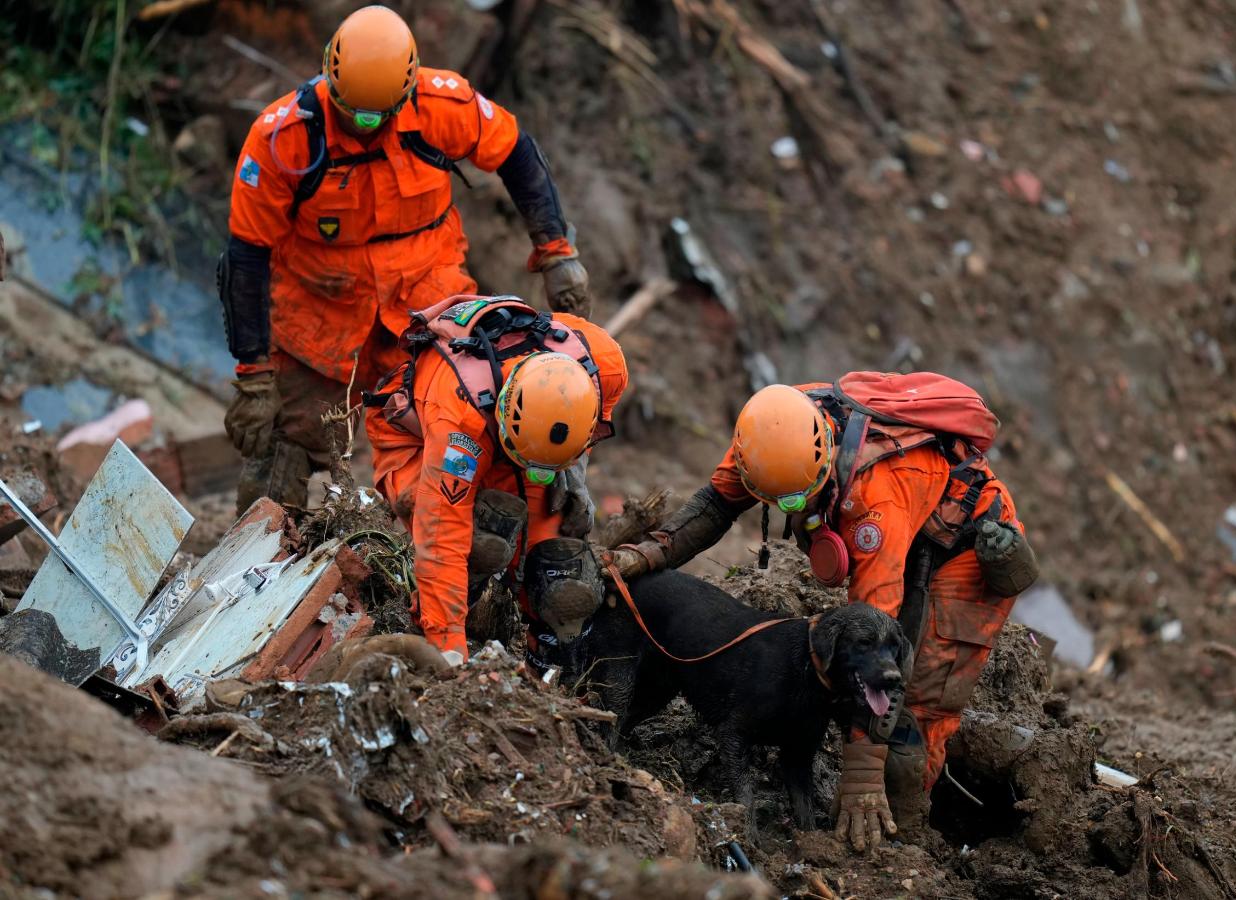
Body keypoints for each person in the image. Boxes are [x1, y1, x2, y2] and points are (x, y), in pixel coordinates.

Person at [608, 372, 1040, 851]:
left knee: (916, 700)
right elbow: (714, 507)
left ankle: (904, 839)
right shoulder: (769, 436)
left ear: (826, 460)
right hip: (905, 522)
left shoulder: (877, 493)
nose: (790, 508)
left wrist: (862, 775)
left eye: (797, 499)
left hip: (965, 546)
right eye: (775, 501)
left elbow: (876, 633)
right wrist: (644, 556)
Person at [219, 4, 591, 513]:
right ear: (330, 75)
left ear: (406, 91)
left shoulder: (442, 107)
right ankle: (256, 565)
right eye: (353, 113)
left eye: (378, 116)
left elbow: (517, 154)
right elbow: (246, 256)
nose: (364, 126)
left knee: (460, 422)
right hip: (320, 314)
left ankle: (469, 539)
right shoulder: (283, 140)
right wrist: (253, 375)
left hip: (428, 305)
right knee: (285, 446)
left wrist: (556, 252)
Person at [365, 294, 627, 667]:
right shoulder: (459, 425)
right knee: (481, 540)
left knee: (560, 580)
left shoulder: (605, 366)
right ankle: (446, 623)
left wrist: (572, 470)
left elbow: (587, 417)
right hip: (419, 439)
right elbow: (442, 542)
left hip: (525, 447)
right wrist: (448, 656)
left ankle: (554, 676)